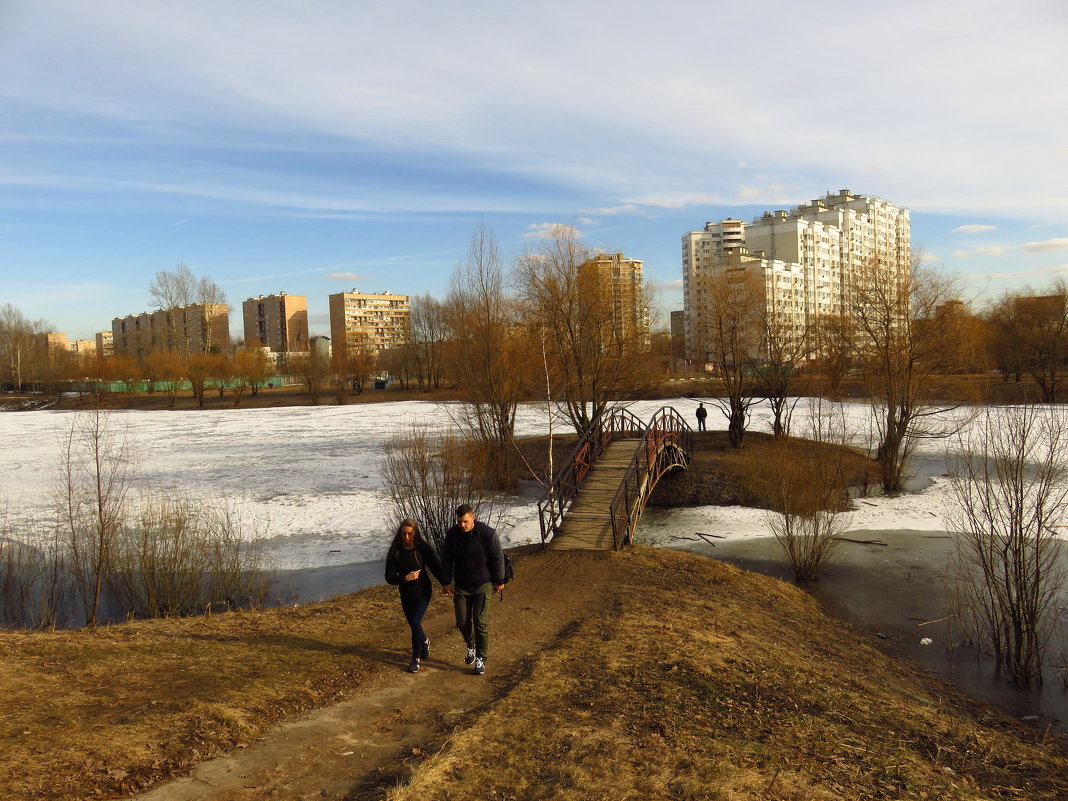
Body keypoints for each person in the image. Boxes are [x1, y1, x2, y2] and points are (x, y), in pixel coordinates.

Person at [440, 504, 505, 676]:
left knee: (480, 621)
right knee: (461, 621)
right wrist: (446, 581)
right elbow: (446, 559)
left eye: (465, 522)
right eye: (460, 522)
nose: (462, 525)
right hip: (462, 585)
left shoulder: (487, 534)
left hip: (483, 584)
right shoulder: (452, 535)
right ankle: (471, 644)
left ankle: (481, 659)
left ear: (473, 517)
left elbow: (497, 556)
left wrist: (499, 579)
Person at [384, 519, 444, 673]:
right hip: (406, 593)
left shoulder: (423, 548)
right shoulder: (395, 551)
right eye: (404, 533)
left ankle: (415, 660)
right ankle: (424, 640)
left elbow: (436, 567)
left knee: (416, 622)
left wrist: (446, 584)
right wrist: (404, 578)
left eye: (410, 533)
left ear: (415, 533)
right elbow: (389, 577)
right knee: (413, 624)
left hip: (423, 591)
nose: (406, 537)